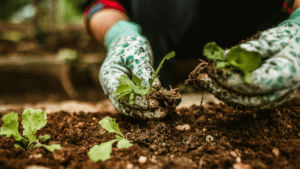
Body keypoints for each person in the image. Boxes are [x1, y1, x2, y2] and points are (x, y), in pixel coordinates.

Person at [82, 0, 300, 119]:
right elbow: (99, 5)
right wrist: (119, 35)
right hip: (161, 31)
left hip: (261, 23)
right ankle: (157, 99)